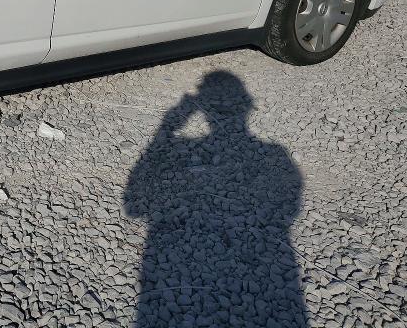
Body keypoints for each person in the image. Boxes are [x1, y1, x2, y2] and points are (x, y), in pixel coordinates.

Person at [124, 70, 307, 327]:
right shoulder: (276, 154)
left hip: (160, 268)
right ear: (246, 107)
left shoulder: (275, 154)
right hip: (282, 274)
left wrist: (168, 127)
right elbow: (290, 207)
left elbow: (132, 206)